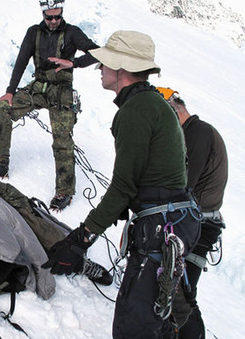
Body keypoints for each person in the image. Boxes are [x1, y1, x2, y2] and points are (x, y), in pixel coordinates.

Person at [41, 30, 201, 338]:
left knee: (134, 326)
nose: (100, 68)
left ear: (122, 68)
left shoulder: (136, 110)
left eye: (106, 62)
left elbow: (124, 186)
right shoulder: (154, 104)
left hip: (160, 229)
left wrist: (81, 237)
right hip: (171, 222)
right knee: (158, 319)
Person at [0, 0, 100, 210]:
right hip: (39, 86)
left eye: (57, 16)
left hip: (61, 90)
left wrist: (74, 63)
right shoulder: (34, 32)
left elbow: (97, 52)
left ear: (62, 12)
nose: (53, 21)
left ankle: (65, 190)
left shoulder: (72, 33)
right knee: (2, 110)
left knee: (62, 138)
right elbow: (22, 60)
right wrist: (10, 91)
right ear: (43, 14)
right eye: (49, 17)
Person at [157, 87, 228, 338]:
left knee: (181, 296)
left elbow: (184, 186)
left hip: (199, 226)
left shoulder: (198, 134)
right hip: (197, 223)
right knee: (179, 292)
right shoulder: (195, 133)